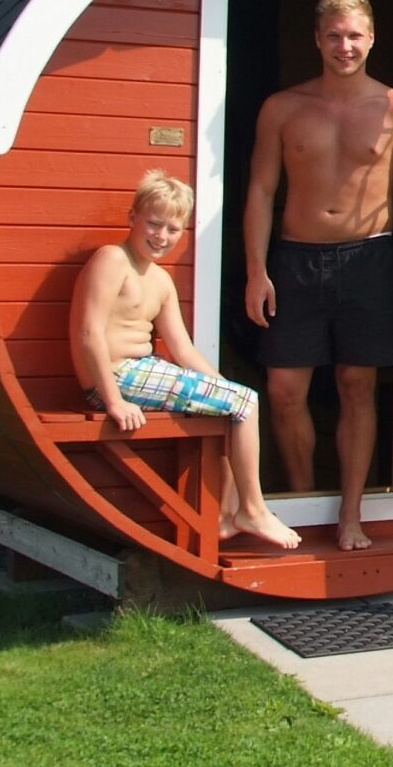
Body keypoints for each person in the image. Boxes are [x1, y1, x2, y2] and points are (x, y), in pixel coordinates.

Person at [244, 0, 393, 552]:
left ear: (371, 38)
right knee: (284, 390)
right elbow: (260, 190)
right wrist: (256, 270)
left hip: (368, 258)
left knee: (357, 387)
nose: (344, 46)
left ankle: (351, 515)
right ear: (317, 39)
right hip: (295, 260)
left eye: (353, 35)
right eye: (334, 36)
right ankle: (301, 504)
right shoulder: (283, 107)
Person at [72, 172, 300, 550]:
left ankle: (226, 515)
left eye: (173, 229)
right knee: (243, 403)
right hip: (115, 376)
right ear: (133, 218)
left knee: (235, 405)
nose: (161, 236)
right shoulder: (112, 260)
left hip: (142, 372)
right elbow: (88, 332)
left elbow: (184, 350)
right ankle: (254, 510)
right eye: (154, 224)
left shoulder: (161, 281)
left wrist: (223, 388)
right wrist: (113, 401)